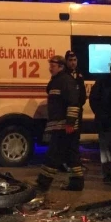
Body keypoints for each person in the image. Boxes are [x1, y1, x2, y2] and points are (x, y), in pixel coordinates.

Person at [35, 55, 84, 192]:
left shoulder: (66, 81)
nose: (50, 69)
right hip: (61, 125)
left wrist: (70, 123)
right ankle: (77, 183)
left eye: (53, 66)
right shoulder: (57, 81)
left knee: (53, 154)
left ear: (61, 67)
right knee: (71, 155)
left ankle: (43, 183)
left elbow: (73, 103)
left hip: (64, 126)